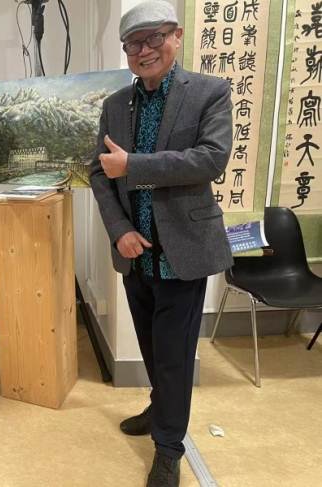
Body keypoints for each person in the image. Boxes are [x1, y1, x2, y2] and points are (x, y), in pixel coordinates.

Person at [90, 2, 233, 486]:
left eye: (154, 37)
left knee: (174, 356)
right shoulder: (115, 105)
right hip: (135, 252)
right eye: (134, 42)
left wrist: (134, 165)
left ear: (176, 36)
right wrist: (119, 230)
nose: (144, 49)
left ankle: (169, 448)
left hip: (183, 252)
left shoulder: (209, 92)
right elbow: (98, 173)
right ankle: (160, 408)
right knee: (153, 348)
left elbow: (210, 159)